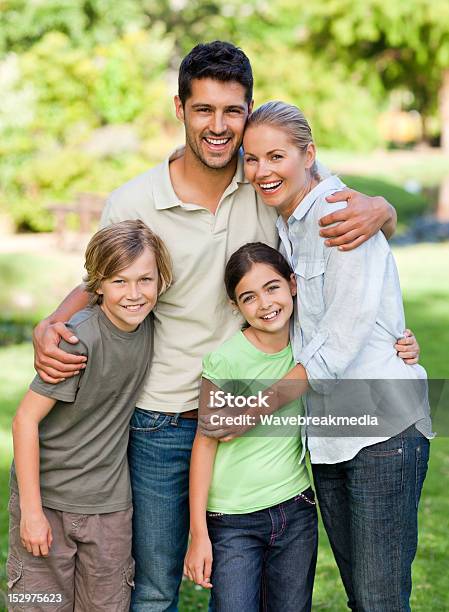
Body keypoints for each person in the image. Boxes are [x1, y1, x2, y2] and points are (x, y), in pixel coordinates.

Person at [31, 42, 419, 611]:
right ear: (180, 108)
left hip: (263, 417)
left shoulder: (265, 180)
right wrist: (53, 321)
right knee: (157, 587)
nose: (218, 126)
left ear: (249, 111)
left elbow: (335, 204)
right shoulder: (134, 201)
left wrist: (382, 207)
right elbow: (103, 280)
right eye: (203, 110)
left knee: (267, 584)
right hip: (163, 421)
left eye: (232, 111)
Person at [239, 101, 433, 611]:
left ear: (309, 154)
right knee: (362, 599)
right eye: (252, 159)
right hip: (330, 435)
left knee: (379, 600)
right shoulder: (290, 219)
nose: (262, 171)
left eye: (276, 156)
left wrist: (257, 406)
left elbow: (341, 342)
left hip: (382, 434)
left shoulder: (337, 215)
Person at [7, 220, 172, 611]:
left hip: (110, 507)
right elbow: (24, 420)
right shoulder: (77, 340)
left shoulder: (149, 323)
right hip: (49, 501)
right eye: (119, 282)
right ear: (97, 286)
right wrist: (31, 512)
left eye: (144, 280)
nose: (134, 294)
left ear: (161, 280)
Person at [184, 243, 317, 612]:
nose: (265, 304)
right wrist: (199, 534)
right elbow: (205, 443)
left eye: (272, 287)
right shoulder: (226, 360)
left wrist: (403, 346)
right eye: (249, 297)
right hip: (231, 521)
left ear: (292, 285)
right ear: (236, 306)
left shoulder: (307, 345)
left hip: (295, 508)